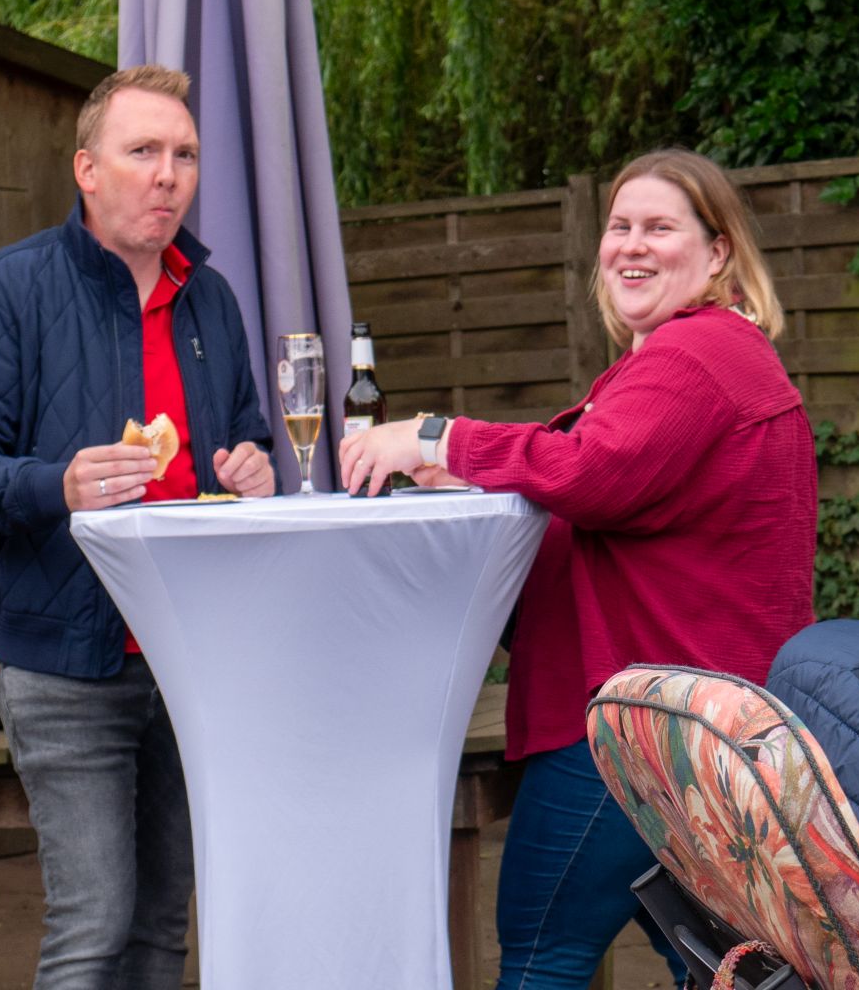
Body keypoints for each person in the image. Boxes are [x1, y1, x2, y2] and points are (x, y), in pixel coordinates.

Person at [340, 148, 817, 990]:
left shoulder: (694, 355)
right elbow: (617, 489)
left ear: (718, 252)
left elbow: (592, 472)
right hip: (694, 722)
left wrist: (434, 436)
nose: (631, 244)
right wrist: (477, 475)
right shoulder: (699, 354)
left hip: (640, 725)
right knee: (717, 967)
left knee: (542, 957)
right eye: (620, 225)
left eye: (659, 227)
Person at [0, 65, 275, 990]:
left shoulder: (211, 298)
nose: (167, 175)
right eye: (142, 151)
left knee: (161, 926)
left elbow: (245, 437)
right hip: (62, 659)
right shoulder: (5, 291)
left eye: (184, 154)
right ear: (86, 169)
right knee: (96, 921)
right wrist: (56, 484)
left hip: (192, 656)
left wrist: (253, 468)